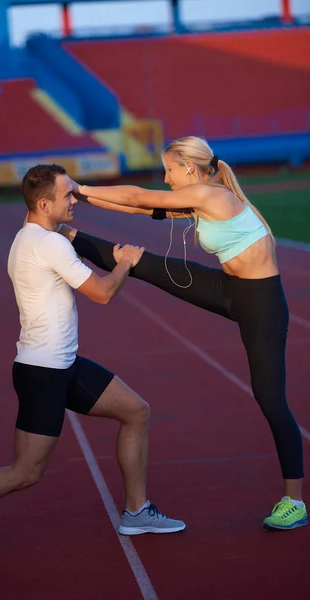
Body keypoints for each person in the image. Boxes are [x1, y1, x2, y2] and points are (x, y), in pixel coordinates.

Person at [0, 164, 186, 558]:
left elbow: (65, 233)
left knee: (135, 411)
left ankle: (137, 511)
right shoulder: (49, 244)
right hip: (44, 373)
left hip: (62, 364)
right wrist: (126, 260)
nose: (74, 201)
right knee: (25, 473)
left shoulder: (30, 237)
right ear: (44, 203)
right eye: (67, 196)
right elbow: (103, 293)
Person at [60, 136, 307, 531]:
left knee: (270, 399)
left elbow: (140, 198)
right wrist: (78, 202)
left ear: (189, 168)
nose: (166, 177)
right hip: (226, 288)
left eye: (169, 170)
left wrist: (81, 187)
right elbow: (137, 207)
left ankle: (294, 501)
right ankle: (71, 237)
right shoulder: (201, 196)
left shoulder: (212, 196)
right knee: (142, 263)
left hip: (261, 302)